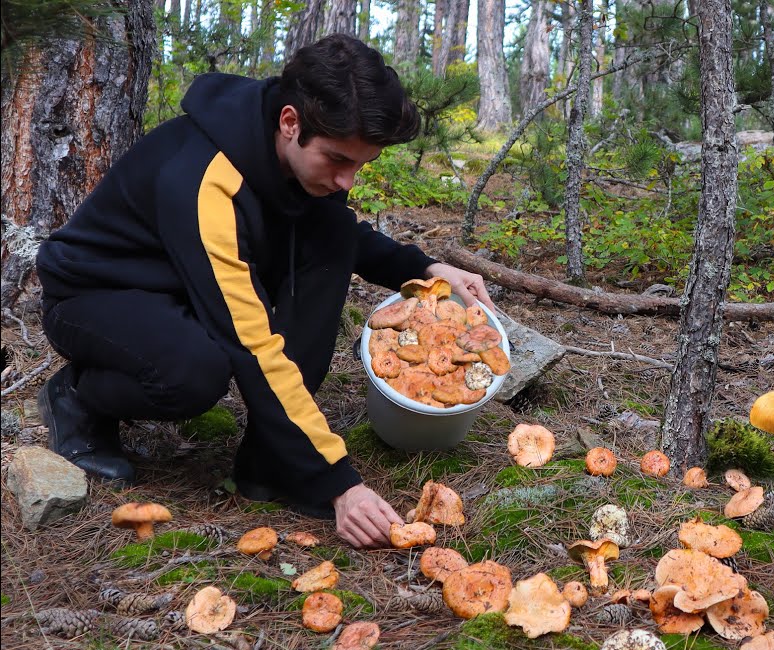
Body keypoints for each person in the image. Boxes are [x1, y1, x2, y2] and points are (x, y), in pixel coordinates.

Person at [35, 34, 493, 549]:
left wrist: (426, 267)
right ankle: (76, 397)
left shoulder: (290, 154)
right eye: (337, 160)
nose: (347, 181)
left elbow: (334, 229)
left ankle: (271, 462)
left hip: (184, 286)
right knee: (192, 372)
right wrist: (339, 482)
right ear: (290, 122)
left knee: (332, 233)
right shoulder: (205, 180)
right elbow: (252, 346)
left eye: (361, 165)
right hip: (97, 297)